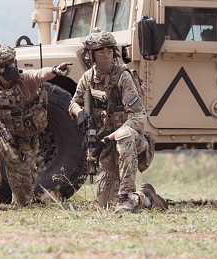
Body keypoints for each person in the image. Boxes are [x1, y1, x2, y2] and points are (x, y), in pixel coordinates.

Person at [68, 29, 167, 212]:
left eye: (109, 50)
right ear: (91, 55)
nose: (105, 54)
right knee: (106, 204)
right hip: (105, 148)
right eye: (100, 51)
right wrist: (79, 112)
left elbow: (137, 117)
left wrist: (106, 140)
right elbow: (73, 102)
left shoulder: (123, 76)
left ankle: (127, 196)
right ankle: (146, 198)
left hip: (129, 142)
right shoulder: (87, 78)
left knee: (124, 134)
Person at [0, 41, 71, 207]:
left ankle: (19, 199)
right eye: (3, 66)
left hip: (23, 142)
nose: (10, 68)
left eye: (12, 63)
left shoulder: (25, 81)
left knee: (24, 199)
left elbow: (40, 74)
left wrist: (55, 70)